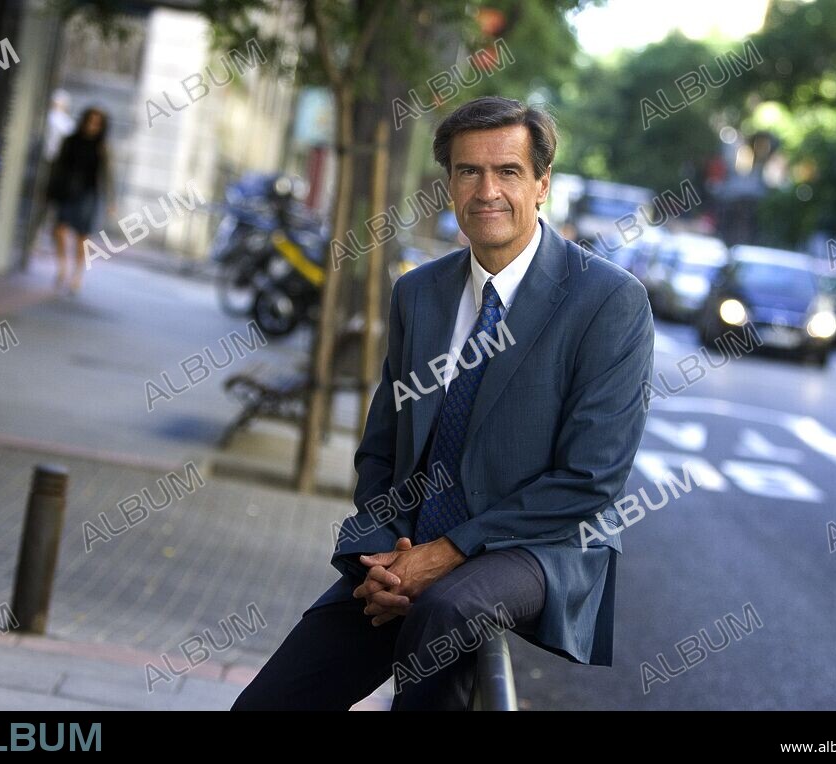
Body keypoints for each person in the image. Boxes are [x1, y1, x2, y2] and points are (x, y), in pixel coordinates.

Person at [231, 96, 655, 712]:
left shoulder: (608, 301)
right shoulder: (418, 293)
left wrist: (447, 554)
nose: (487, 191)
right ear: (449, 185)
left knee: (447, 609)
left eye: (508, 171)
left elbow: (591, 478)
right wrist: (382, 558)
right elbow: (382, 451)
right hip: (411, 544)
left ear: (542, 185)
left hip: (540, 544)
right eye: (468, 172)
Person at [46, 106, 113, 294]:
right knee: (59, 229)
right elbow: (58, 166)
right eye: (90, 121)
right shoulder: (70, 141)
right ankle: (62, 266)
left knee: (82, 236)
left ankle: (76, 275)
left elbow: (107, 175)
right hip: (67, 191)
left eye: (97, 123)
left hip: (88, 194)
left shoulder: (102, 147)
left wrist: (111, 200)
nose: (93, 126)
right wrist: (50, 189)